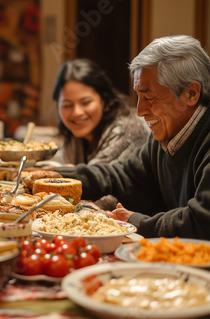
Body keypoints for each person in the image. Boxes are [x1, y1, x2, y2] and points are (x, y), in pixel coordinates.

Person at [53, 35, 210, 239]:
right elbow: (122, 176)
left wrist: (135, 221)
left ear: (191, 93)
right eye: (138, 97)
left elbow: (202, 222)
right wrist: (59, 177)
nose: (140, 110)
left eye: (149, 97)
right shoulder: (164, 137)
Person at [52, 58, 149, 165]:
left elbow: (99, 178)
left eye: (86, 102)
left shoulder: (128, 131)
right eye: (67, 105)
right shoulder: (72, 137)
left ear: (104, 100)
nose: (77, 112)